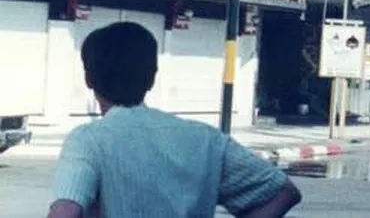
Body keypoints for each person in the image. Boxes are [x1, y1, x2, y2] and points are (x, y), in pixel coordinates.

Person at [46, 22, 301, 218]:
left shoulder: (88, 140)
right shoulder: (207, 140)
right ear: (152, 77)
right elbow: (283, 192)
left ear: (89, 79)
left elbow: (65, 211)